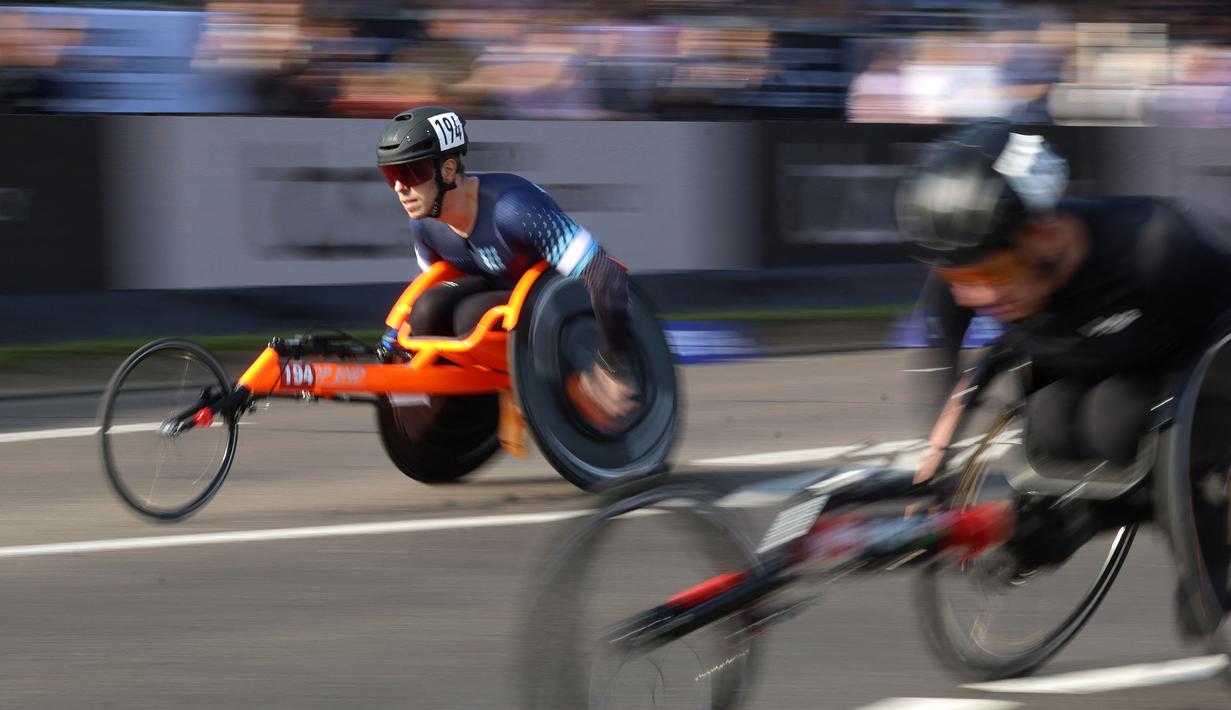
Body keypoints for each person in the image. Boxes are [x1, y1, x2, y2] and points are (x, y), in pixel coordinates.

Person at [897, 119, 1231, 637]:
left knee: (1115, 420)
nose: (978, 298)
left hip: (1197, 376)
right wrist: (936, 457)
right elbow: (950, 365)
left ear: (1045, 234)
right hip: (1089, 369)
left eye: (992, 276)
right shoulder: (971, 256)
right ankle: (1053, 530)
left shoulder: (1157, 246)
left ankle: (1211, 554)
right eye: (960, 281)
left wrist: (1200, 563)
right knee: (1048, 426)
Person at [375, 105, 636, 425]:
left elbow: (605, 276)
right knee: (428, 309)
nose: (400, 188)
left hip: (557, 301)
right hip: (497, 289)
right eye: (392, 175)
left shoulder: (514, 210)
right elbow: (430, 284)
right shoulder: (425, 225)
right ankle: (459, 420)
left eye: (411, 173)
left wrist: (612, 366)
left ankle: (542, 392)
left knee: (470, 318)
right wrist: (394, 337)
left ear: (447, 170)